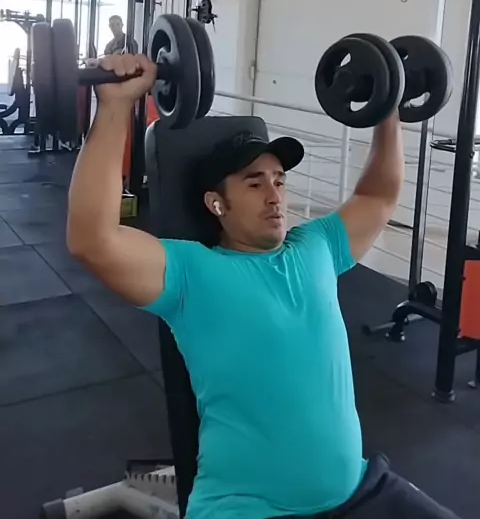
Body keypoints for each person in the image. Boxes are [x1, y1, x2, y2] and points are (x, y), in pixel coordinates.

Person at [67, 53, 460, 519]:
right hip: (249, 508)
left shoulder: (316, 246)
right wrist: (114, 107)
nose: (275, 195)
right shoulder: (192, 272)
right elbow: (93, 240)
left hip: (358, 492)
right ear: (216, 204)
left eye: (279, 181)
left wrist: (387, 104)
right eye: (255, 184)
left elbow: (377, 195)